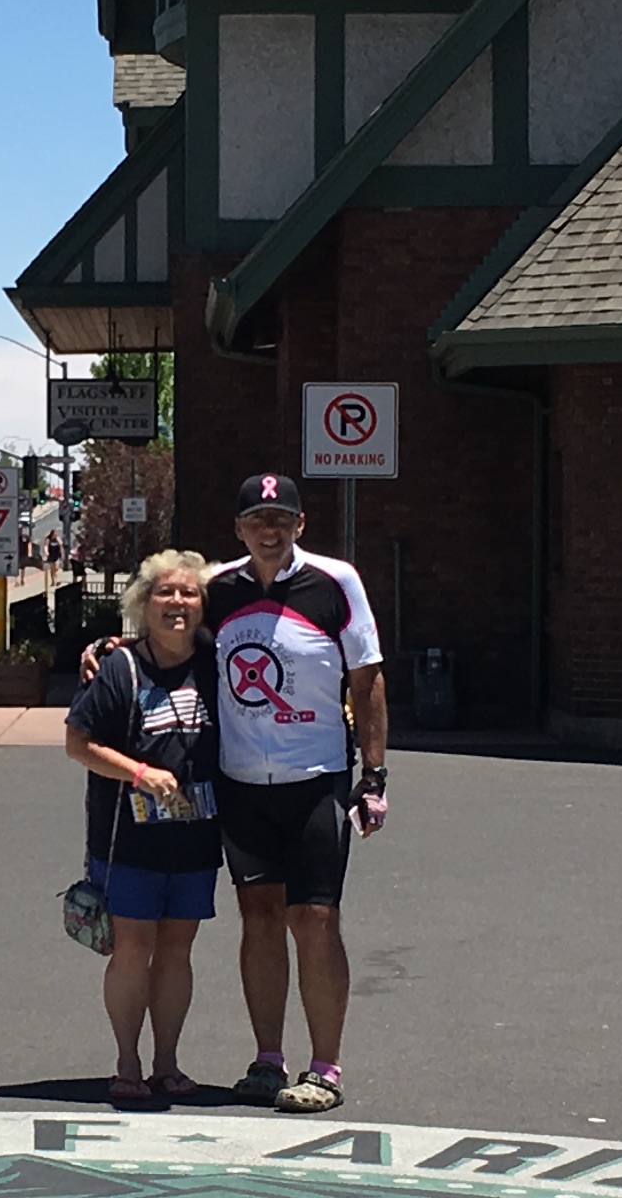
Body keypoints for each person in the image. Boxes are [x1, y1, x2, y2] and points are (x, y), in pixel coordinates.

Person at [201, 472, 387, 1112]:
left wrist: (374, 775)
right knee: (258, 917)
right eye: (257, 520)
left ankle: (325, 1069)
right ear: (239, 528)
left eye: (281, 519)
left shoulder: (336, 581)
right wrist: (110, 649)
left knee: (315, 918)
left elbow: (367, 678)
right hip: (241, 781)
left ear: (300, 525)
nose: (269, 530)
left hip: (316, 779)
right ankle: (267, 1061)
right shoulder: (218, 588)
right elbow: (168, 642)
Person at [62, 550, 224, 1108]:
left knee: (178, 950)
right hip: (127, 839)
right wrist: (138, 772)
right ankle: (127, 1062)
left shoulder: (217, 662)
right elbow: (78, 744)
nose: (177, 603)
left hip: (196, 836)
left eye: (189, 593)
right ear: (143, 602)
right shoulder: (120, 668)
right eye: (165, 593)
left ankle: (167, 1063)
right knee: (133, 947)